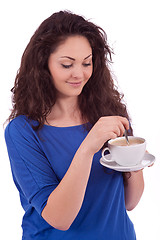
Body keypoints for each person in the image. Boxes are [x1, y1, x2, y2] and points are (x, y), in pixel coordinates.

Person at [4, 10, 144, 240]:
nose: (79, 73)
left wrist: (134, 162)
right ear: (43, 65)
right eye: (67, 65)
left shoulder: (108, 113)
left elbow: (130, 202)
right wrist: (89, 147)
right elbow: (59, 218)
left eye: (86, 63)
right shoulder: (22, 131)